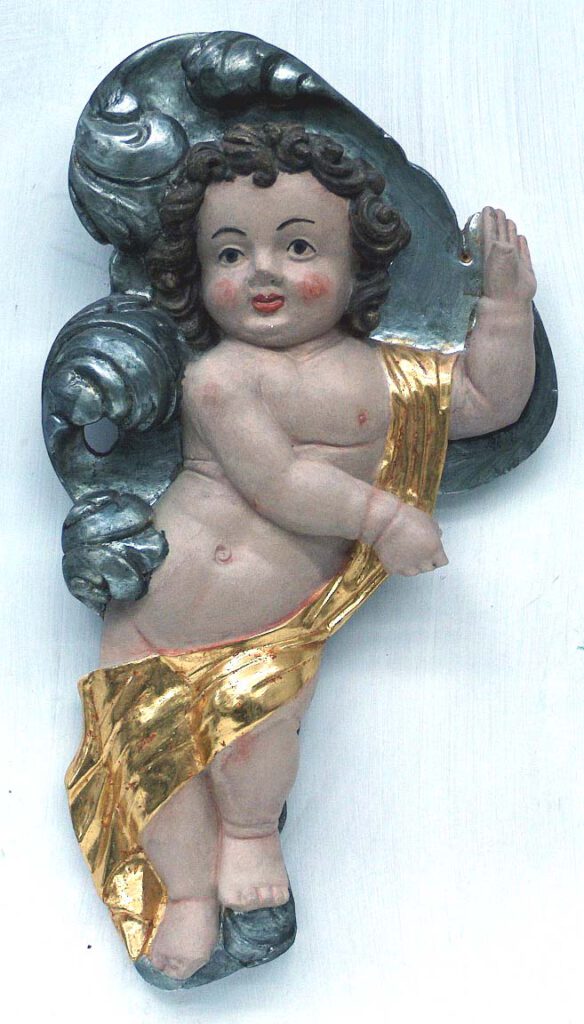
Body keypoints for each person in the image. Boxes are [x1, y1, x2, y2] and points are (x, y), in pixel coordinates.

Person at [66, 124, 536, 982]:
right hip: (152, 618)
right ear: (196, 273)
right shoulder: (219, 378)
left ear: (359, 266)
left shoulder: (386, 378)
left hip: (273, 625)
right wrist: (381, 516)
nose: (263, 272)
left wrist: (504, 310)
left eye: (298, 246)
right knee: (154, 767)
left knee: (260, 738)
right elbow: (277, 481)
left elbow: (486, 401)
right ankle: (187, 896)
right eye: (230, 253)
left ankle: (249, 838)